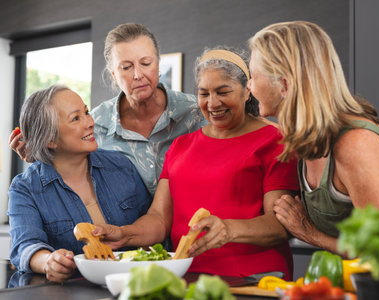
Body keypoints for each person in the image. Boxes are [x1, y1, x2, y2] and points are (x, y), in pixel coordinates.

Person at [93, 47, 300, 279]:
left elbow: (281, 224)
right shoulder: (181, 146)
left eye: (223, 92)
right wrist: (124, 234)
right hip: (185, 277)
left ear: (246, 91)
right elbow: (159, 219)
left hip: (254, 278)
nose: (213, 104)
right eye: (204, 94)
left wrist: (229, 230)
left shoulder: (275, 141)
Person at [247, 21, 379, 253]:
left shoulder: (354, 145)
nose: (249, 86)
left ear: (284, 85)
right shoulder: (306, 136)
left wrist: (310, 233)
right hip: (358, 284)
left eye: (253, 76)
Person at [9, 23, 206, 196]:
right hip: (123, 236)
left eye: (146, 63)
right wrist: (42, 158)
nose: (138, 74)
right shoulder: (95, 123)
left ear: (158, 64)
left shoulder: (196, 112)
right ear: (113, 74)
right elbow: (73, 175)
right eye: (126, 67)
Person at [7, 85, 151, 283]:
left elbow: (151, 220)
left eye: (86, 112)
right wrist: (49, 261)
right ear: (50, 139)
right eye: (76, 118)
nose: (90, 122)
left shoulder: (120, 166)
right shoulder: (25, 188)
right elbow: (25, 246)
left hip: (135, 284)